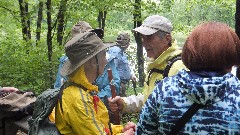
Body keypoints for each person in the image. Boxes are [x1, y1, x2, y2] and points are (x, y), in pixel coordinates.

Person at [136, 22, 240, 134]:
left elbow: (143, 132)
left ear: (189, 50)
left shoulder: (164, 90)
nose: (143, 41)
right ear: (232, 53)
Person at [55, 31, 135, 135]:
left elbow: (99, 126)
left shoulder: (85, 90)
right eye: (103, 56)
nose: (106, 61)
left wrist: (121, 129)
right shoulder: (78, 99)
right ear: (93, 62)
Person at [109, 15, 186, 113]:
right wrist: (124, 103)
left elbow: (180, 114)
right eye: (143, 37)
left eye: (149, 37)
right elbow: (149, 99)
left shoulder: (178, 68)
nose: (143, 42)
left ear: (167, 39)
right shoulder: (157, 65)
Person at [54, 21, 120, 102]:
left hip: (104, 106)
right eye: (81, 40)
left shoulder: (106, 58)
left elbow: (114, 83)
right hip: (78, 106)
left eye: (88, 37)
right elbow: (59, 88)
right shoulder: (67, 63)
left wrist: (96, 99)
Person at [107, 32, 136, 97]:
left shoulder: (121, 51)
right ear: (127, 43)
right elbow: (111, 70)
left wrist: (131, 76)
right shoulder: (116, 51)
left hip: (121, 84)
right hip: (118, 85)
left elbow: (123, 67)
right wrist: (115, 86)